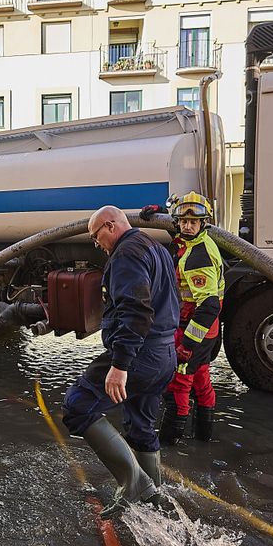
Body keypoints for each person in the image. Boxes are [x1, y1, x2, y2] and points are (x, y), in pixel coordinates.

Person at [61, 206, 180, 518]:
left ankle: (135, 485)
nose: (96, 243)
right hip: (164, 354)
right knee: (140, 424)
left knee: (77, 405)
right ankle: (152, 494)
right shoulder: (156, 248)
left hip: (139, 354)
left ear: (110, 225)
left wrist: (120, 365)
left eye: (96, 235)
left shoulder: (127, 254)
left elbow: (135, 309)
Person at [146, 192, 225, 444]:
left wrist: (186, 346)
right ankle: (204, 440)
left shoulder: (197, 258)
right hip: (207, 332)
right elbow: (180, 237)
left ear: (203, 223)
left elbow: (209, 305)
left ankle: (170, 445)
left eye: (193, 221)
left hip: (194, 330)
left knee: (178, 387)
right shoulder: (199, 243)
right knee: (201, 380)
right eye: (182, 221)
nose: (187, 225)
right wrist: (156, 211)